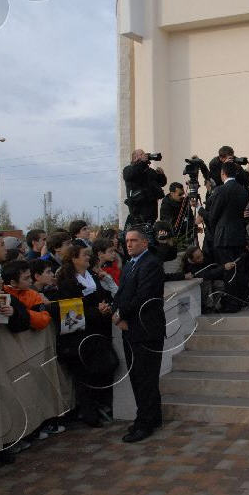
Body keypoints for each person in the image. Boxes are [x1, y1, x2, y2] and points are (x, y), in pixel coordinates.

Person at [112, 228, 166, 443]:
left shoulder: (151, 264)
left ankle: (145, 423)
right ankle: (151, 417)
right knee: (137, 377)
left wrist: (121, 315)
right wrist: (115, 312)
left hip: (146, 330)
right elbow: (121, 293)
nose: (129, 244)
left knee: (146, 378)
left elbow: (143, 296)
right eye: (127, 240)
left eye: (134, 240)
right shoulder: (129, 264)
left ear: (145, 243)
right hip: (131, 330)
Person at [53, 244, 115, 428]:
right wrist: (96, 311)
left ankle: (100, 405)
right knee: (84, 375)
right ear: (74, 258)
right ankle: (89, 413)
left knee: (105, 367)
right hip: (79, 335)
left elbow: (103, 296)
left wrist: (105, 306)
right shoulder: (67, 282)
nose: (88, 257)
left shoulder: (93, 277)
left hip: (98, 331)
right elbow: (70, 312)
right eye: (84, 255)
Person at [208, 160, 249, 312]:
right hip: (239, 234)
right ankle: (240, 300)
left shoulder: (221, 190)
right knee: (239, 269)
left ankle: (232, 304)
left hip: (224, 236)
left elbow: (213, 216)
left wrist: (201, 211)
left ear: (223, 173)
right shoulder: (243, 190)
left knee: (228, 270)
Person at [1, 260, 52, 331]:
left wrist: (19, 313)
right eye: (26, 278)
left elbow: (44, 320)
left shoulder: (33, 295)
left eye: (30, 276)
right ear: (13, 283)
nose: (31, 280)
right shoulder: (1, 294)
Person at [123, 149, 167, 225]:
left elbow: (162, 183)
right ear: (135, 158)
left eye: (144, 154)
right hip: (138, 208)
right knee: (140, 227)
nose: (144, 155)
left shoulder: (149, 170)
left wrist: (161, 175)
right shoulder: (128, 169)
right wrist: (142, 163)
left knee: (150, 225)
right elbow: (130, 175)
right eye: (141, 154)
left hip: (151, 208)